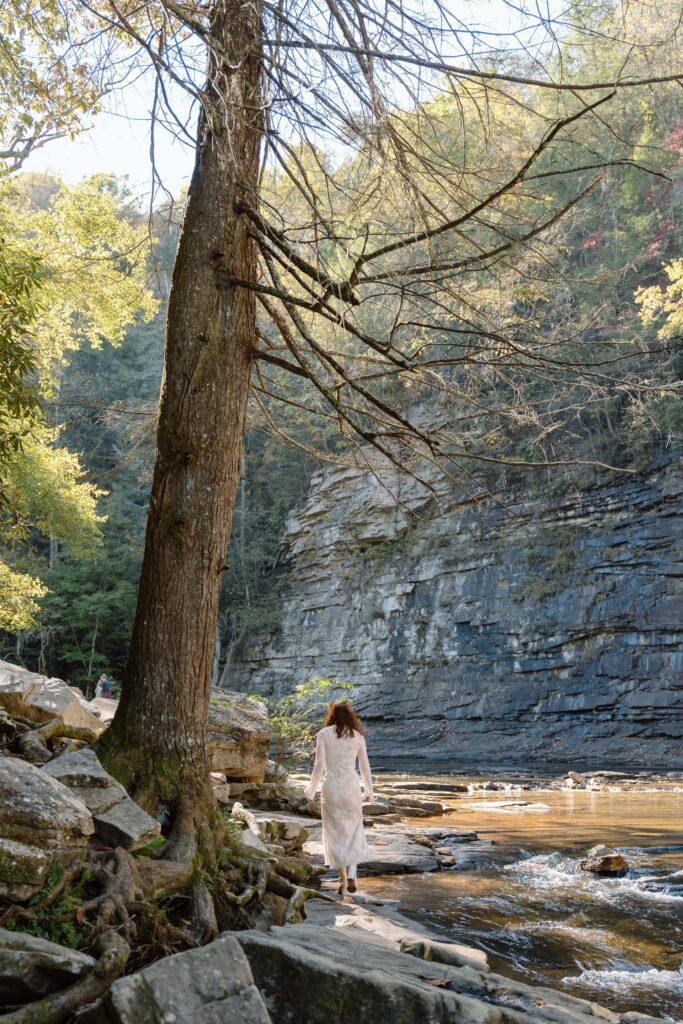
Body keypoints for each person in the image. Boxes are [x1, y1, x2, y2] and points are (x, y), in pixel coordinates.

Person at [304, 700, 373, 898]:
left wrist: (311, 789)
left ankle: (343, 881)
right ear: (350, 715)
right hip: (351, 787)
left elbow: (319, 765)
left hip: (331, 788)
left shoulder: (324, 734)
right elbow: (365, 767)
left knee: (335, 834)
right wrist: (369, 790)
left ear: (331, 714)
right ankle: (352, 873)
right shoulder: (357, 736)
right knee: (353, 831)